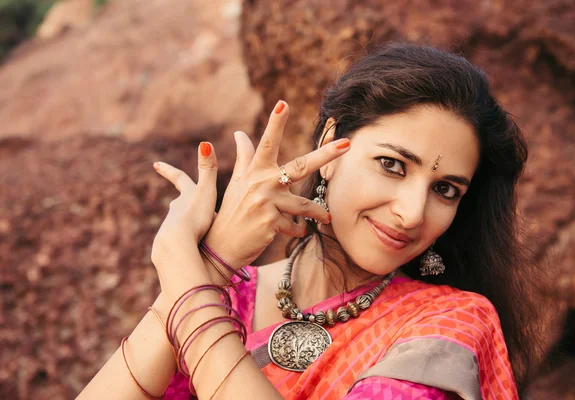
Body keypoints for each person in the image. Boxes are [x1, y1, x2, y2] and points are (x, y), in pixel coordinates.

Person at [77, 43, 544, 400]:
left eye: (445, 190)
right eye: (393, 165)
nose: (412, 213)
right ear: (330, 145)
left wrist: (181, 268)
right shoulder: (225, 295)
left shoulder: (450, 323)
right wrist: (212, 268)